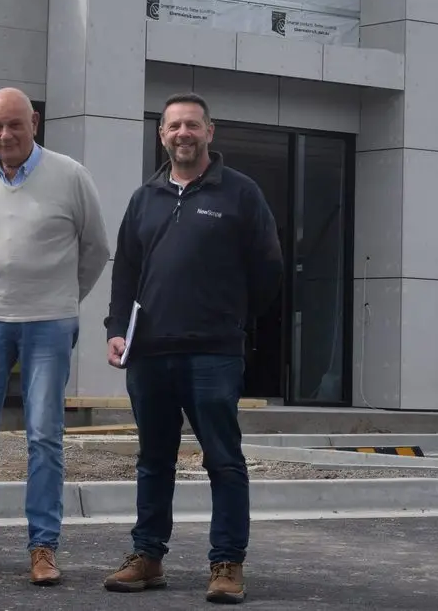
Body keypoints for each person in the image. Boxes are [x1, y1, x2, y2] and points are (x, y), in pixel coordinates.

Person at [102, 92, 283, 605]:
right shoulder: (145, 198)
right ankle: (147, 556)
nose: (183, 133)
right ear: (162, 134)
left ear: (210, 132)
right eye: (174, 125)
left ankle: (227, 563)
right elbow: (126, 271)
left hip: (213, 353)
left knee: (223, 460)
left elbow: (268, 269)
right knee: (153, 460)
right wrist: (117, 327)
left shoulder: (241, 193)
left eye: (192, 125)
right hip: (150, 353)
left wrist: (232, 318)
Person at [0, 87, 111, 587]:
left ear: (34, 122)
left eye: (15, 124)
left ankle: (43, 547)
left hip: (49, 323)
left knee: (44, 436)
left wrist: (63, 298)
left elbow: (96, 248)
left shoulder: (71, 175)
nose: (5, 134)